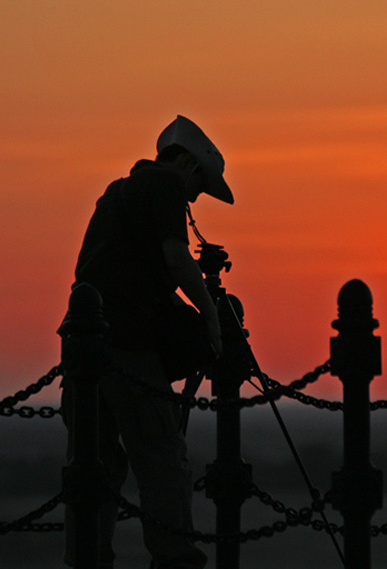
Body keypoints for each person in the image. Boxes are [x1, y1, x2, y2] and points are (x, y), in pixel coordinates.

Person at [62, 115, 233, 569]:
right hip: (127, 344)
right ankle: (174, 557)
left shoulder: (118, 193)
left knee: (94, 464)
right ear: (190, 167)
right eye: (200, 185)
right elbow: (176, 258)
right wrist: (211, 317)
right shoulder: (165, 187)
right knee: (162, 457)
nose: (196, 197)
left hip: (83, 348)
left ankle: (86, 557)